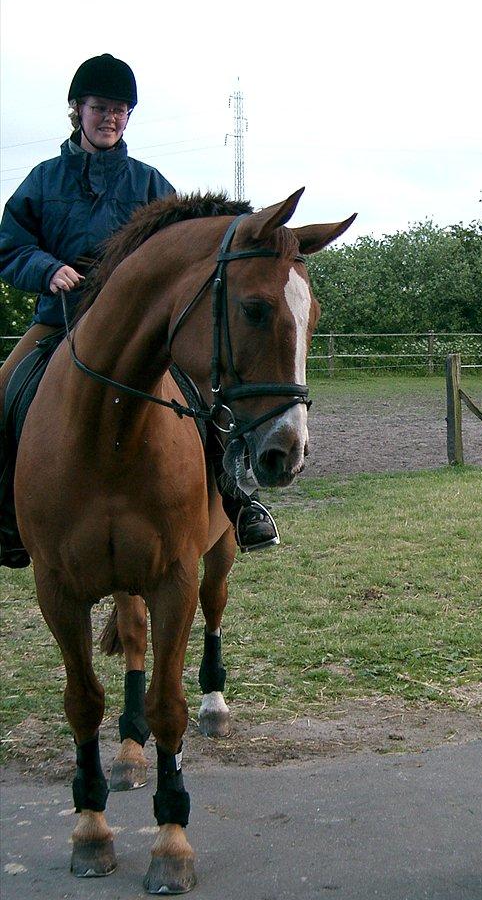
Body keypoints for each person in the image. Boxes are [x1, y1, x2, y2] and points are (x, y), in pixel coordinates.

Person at [0, 53, 279, 567]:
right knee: (4, 390)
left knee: (206, 398)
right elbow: (9, 246)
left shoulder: (150, 184)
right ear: (77, 111)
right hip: (58, 320)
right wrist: (45, 269)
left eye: (120, 110)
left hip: (139, 331)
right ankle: (6, 519)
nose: (110, 118)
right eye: (100, 107)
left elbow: (184, 256)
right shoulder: (43, 180)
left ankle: (240, 502)